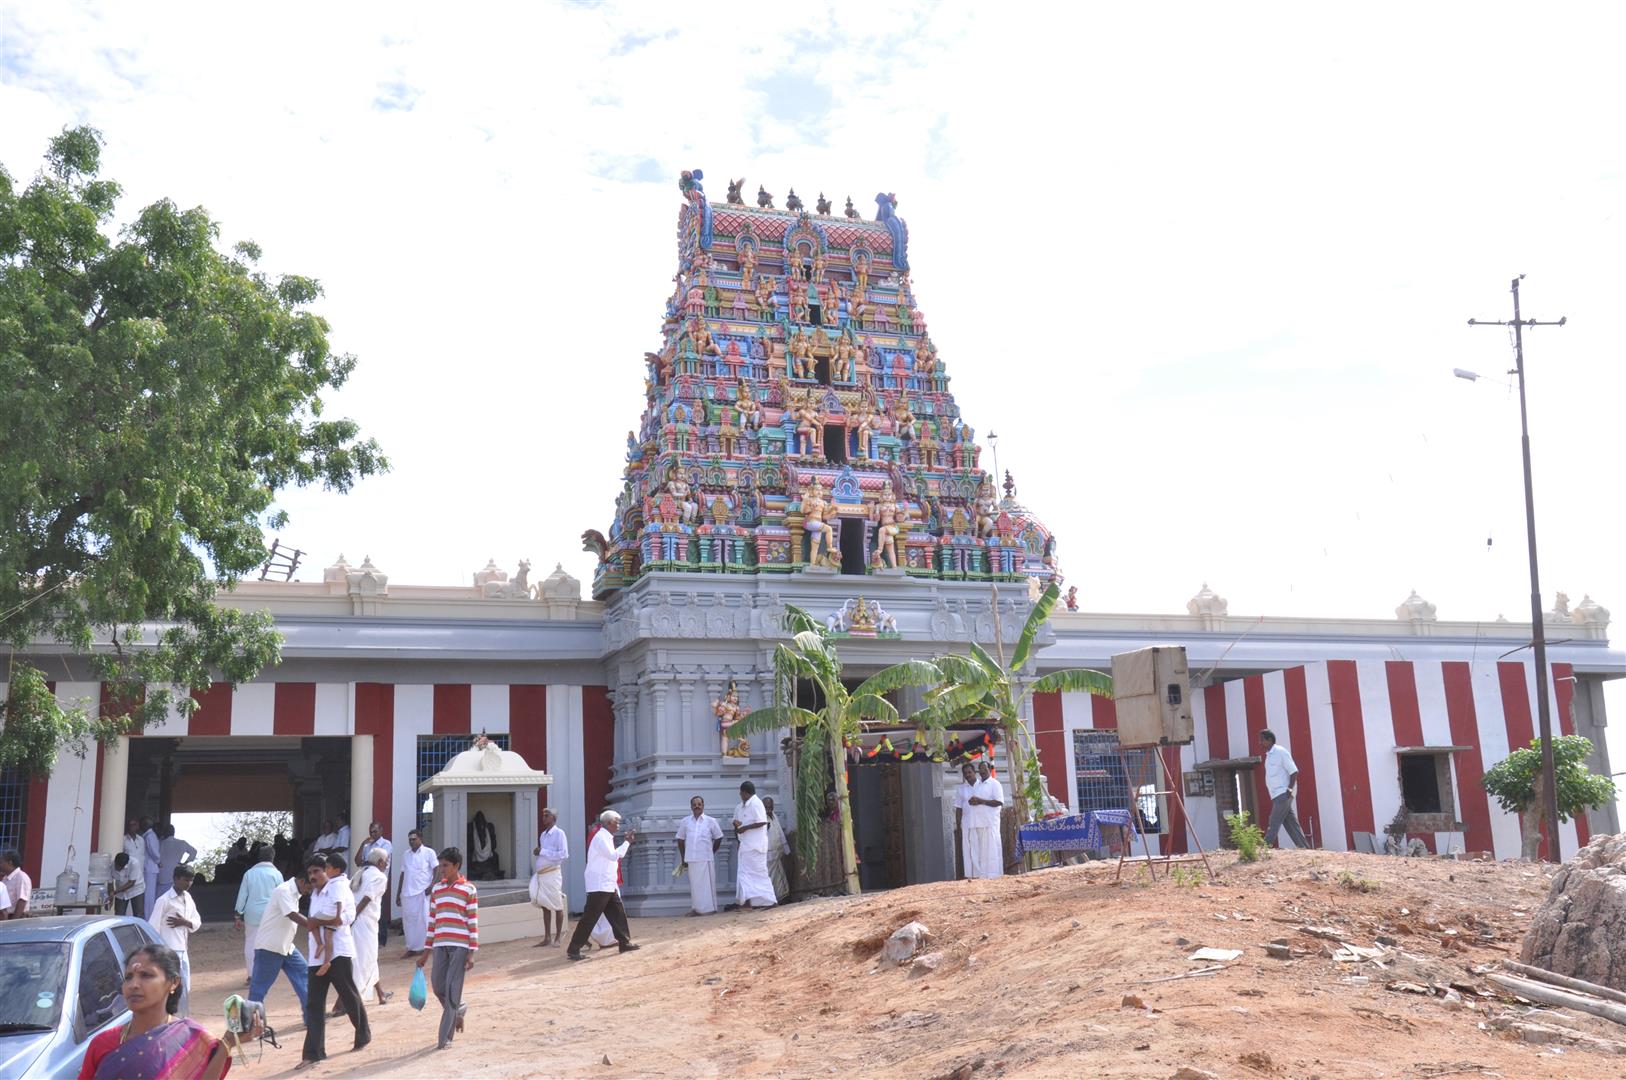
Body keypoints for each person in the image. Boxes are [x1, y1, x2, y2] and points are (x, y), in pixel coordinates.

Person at [77, 943, 231, 1080]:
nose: (133, 985)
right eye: (128, 977)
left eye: (146, 975)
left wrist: (227, 1045)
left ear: (173, 983)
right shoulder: (102, 1043)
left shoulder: (192, 1037)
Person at [300, 854, 370, 1067]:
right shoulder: (315, 895)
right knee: (314, 1004)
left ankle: (363, 1033)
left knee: (349, 996)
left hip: (338, 951)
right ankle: (313, 1053)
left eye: (317, 871)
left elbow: (343, 918)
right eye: (310, 872)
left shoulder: (338, 888)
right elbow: (315, 924)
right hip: (315, 956)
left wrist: (317, 921)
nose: (313, 876)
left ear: (328, 871)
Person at [417, 846, 478, 1051]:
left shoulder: (469, 889)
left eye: (445, 865)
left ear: (456, 866)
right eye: (440, 865)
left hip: (460, 946)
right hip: (440, 945)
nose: (441, 869)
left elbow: (472, 922)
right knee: (437, 986)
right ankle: (459, 1010)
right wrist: (425, 953)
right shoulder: (437, 890)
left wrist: (471, 953)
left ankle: (445, 1039)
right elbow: (432, 922)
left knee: (452, 991)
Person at [566, 811, 638, 961]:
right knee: (590, 917)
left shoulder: (605, 837)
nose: (619, 825)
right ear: (609, 823)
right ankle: (574, 949)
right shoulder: (601, 837)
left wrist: (626, 843)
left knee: (618, 914)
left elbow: (613, 857)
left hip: (607, 883)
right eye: (617, 822)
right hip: (599, 884)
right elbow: (613, 856)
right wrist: (626, 842)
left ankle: (624, 942)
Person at [248, 865, 313, 1021]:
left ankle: (311, 1016)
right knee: (259, 989)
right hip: (270, 947)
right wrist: (315, 926)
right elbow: (292, 915)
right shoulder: (283, 890)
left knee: (304, 975)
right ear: (303, 881)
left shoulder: (294, 892)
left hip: (286, 946)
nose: (310, 891)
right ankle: (250, 1026)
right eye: (310, 887)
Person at [148, 866, 201, 1017]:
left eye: (191, 880)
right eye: (185, 880)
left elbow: (196, 922)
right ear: (176, 879)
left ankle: (182, 1017)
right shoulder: (164, 901)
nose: (188, 883)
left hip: (183, 950)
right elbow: (153, 927)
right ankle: (175, 1018)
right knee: (172, 988)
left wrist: (184, 922)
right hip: (168, 951)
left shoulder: (188, 899)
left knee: (185, 987)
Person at [234, 845, 281, 982]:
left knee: (250, 943)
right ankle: (265, 974)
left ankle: (251, 974)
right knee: (269, 944)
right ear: (273, 857)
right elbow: (283, 895)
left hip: (252, 914)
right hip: (271, 914)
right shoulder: (277, 874)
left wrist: (238, 915)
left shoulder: (249, 873)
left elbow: (242, 895)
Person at [353, 848, 391, 1006]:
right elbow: (366, 899)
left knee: (369, 958)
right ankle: (344, 1002)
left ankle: (381, 994)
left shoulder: (360, 872)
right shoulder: (379, 877)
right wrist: (352, 917)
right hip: (364, 921)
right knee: (363, 961)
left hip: (359, 921)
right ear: (380, 862)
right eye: (386, 862)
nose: (387, 865)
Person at [1260, 729, 1310, 848]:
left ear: (1270, 740)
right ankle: (1304, 848)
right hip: (1276, 795)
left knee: (1274, 820)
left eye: (1262, 740)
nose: (1260, 743)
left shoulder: (1281, 752)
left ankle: (1265, 848)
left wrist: (1289, 789)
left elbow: (1294, 771)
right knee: (1290, 823)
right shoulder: (1269, 756)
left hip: (1283, 793)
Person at [674, 796, 723, 916]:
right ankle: (696, 909)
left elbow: (719, 837)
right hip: (691, 858)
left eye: (699, 804)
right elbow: (680, 839)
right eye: (694, 804)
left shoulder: (710, 821)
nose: (697, 806)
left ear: (703, 806)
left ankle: (709, 909)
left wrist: (711, 851)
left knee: (707, 885)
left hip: (706, 858)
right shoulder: (685, 821)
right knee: (695, 885)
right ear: (691, 807)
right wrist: (683, 857)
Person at [731, 781, 776, 909]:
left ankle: (771, 900)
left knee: (759, 874)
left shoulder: (756, 804)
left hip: (756, 846)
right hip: (745, 845)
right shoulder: (740, 806)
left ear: (746, 792)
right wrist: (736, 824)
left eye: (741, 792)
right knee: (744, 874)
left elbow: (762, 822)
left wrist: (745, 828)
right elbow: (736, 821)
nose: (740, 794)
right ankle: (748, 902)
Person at [530, 808, 568, 946]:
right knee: (545, 905)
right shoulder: (543, 835)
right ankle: (547, 937)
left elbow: (563, 854)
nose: (544, 818)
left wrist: (543, 851)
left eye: (547, 816)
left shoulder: (559, 833)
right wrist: (538, 852)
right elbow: (545, 853)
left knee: (557, 904)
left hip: (553, 874)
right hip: (542, 875)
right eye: (543, 815)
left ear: (554, 818)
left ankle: (557, 937)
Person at [396, 829, 437, 957]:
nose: (411, 841)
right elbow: (403, 873)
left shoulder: (429, 853)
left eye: (414, 839)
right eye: (410, 839)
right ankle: (411, 948)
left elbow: (437, 870)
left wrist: (432, 885)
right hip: (407, 893)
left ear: (420, 839)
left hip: (423, 892)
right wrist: (398, 893)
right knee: (408, 922)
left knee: (424, 920)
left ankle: (426, 947)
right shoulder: (406, 854)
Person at [965, 759, 1004, 879]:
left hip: (990, 823)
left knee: (991, 850)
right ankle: (982, 875)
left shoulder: (995, 784)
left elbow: (999, 802)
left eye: (984, 769)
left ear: (990, 770)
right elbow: (975, 799)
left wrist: (981, 801)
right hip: (977, 823)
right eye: (980, 770)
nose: (982, 771)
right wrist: (973, 801)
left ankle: (993, 875)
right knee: (980, 852)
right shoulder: (978, 785)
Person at [355, 821, 392, 948]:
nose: (372, 834)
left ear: (381, 830)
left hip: (379, 879)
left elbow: (379, 861)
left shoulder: (386, 844)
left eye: (375, 831)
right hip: (366, 878)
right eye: (371, 831)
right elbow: (358, 861)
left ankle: (382, 939)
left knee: (377, 909)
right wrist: (362, 845)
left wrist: (368, 862)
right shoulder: (367, 845)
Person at [763, 796, 791, 903]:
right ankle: (770, 899)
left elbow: (780, 833)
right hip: (767, 854)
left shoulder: (774, 816)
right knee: (770, 877)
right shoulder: (761, 818)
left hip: (777, 852)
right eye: (766, 806)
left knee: (779, 877)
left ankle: (781, 898)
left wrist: (786, 850)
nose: (769, 808)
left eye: (770, 806)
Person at [157, 824, 196, 896]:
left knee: (160, 901)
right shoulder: (182, 843)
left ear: (164, 832)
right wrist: (184, 863)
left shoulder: (160, 843)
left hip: (161, 876)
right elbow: (194, 852)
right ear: (173, 832)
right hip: (176, 875)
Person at [953, 763, 977, 878]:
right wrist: (959, 827)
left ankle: (982, 874)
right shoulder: (961, 789)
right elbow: (958, 809)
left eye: (969, 772)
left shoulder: (982, 785)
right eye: (965, 773)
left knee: (981, 849)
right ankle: (970, 875)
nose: (967, 775)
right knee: (968, 851)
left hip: (981, 824)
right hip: (967, 824)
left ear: (974, 772)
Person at [121, 819, 147, 919]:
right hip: (127, 876)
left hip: (139, 877)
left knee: (139, 910)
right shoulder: (123, 839)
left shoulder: (141, 840)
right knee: (124, 909)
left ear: (138, 826)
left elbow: (142, 856)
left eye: (134, 824)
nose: (132, 826)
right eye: (130, 825)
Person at [467, 810, 500, 880]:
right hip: (475, 854)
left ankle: (488, 871)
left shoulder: (489, 827)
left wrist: (487, 846)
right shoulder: (471, 828)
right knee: (469, 856)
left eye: (482, 821)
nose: (480, 823)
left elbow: (494, 844)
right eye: (478, 821)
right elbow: (469, 845)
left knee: (495, 855)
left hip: (488, 855)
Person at [141, 818, 162, 921]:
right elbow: (153, 851)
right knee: (149, 895)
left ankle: (148, 917)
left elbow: (152, 851)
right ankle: (148, 918)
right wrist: (158, 861)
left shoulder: (148, 836)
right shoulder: (150, 836)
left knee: (148, 895)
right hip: (150, 868)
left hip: (149, 868)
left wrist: (158, 861)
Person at [112, 853, 145, 917]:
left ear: (125, 865)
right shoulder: (112, 865)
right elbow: (110, 882)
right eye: (116, 866)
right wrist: (110, 895)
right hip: (120, 892)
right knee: (119, 915)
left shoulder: (134, 863)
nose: (117, 868)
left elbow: (131, 883)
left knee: (138, 915)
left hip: (136, 890)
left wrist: (115, 892)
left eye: (119, 867)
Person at [1, 849, 31, 917]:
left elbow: (22, 901)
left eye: (1, 862)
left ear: (10, 862)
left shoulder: (21, 877)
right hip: (5, 918)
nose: (0, 865)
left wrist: (13, 922)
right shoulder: (5, 879)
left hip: (15, 918)